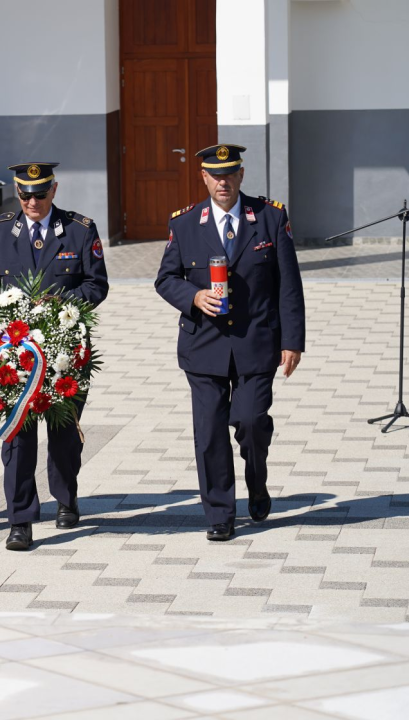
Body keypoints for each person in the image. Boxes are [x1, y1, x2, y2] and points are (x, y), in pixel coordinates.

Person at [155, 144, 306, 541]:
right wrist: (193, 297)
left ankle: (256, 481)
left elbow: (288, 285)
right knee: (208, 433)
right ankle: (220, 513)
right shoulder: (185, 224)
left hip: (257, 342)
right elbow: (166, 278)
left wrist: (292, 341)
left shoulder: (270, 217)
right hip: (203, 346)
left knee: (252, 423)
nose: (223, 182)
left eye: (230, 174)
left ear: (241, 176)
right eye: (214, 175)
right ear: (203, 178)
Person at [0, 162, 109, 551]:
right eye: (25, 194)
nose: (32, 201)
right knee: (17, 436)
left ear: (54, 189)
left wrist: (59, 306)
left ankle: (66, 497)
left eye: (40, 193)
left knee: (64, 435)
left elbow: (96, 285)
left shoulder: (80, 229)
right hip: (17, 355)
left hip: (65, 352)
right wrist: (5, 310)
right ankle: (20, 520)